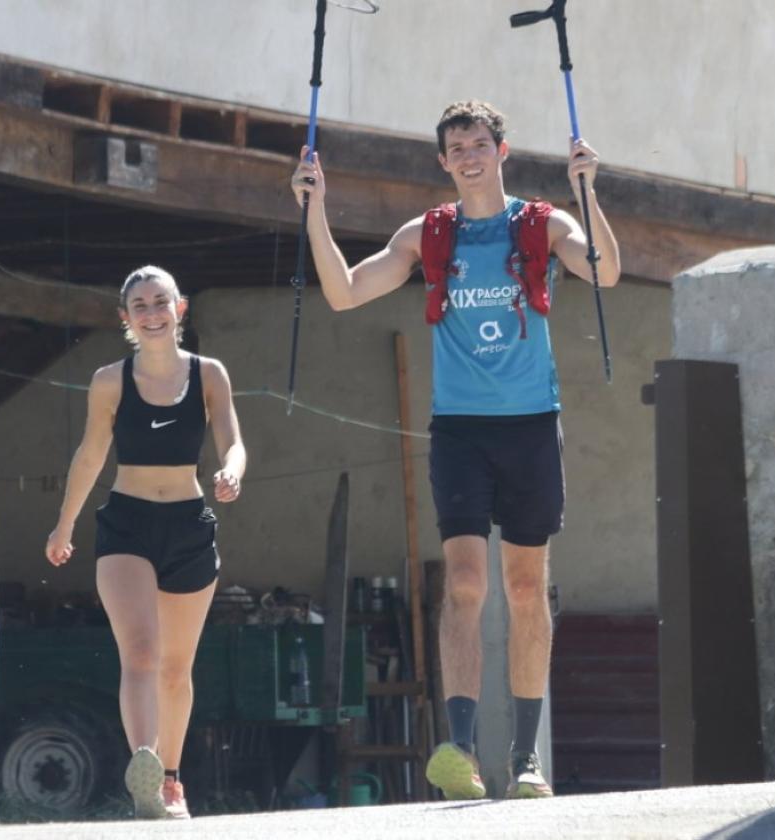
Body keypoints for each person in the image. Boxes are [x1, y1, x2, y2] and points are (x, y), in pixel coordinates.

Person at [290, 100, 620, 799]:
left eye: (479, 143)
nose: (468, 155)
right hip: (460, 431)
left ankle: (527, 762)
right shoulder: (427, 234)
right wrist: (314, 209)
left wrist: (589, 192)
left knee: (527, 589)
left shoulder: (541, 223)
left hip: (531, 425)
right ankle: (460, 753)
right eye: (456, 147)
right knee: (465, 585)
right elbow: (346, 292)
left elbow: (606, 272)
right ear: (442, 161)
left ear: (503, 151)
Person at [44, 265, 246, 819]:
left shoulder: (210, 375)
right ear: (125, 319)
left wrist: (232, 472)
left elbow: (233, 441)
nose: (152, 313)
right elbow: (90, 455)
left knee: (177, 668)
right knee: (140, 652)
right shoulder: (110, 380)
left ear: (180, 310)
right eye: (141, 306)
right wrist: (64, 526)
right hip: (126, 525)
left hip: (189, 525)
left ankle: (173, 781)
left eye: (161, 302)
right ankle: (145, 769)